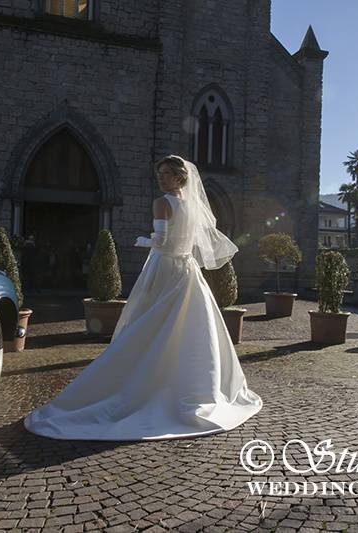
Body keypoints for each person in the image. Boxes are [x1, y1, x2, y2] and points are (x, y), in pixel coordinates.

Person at [23, 155, 263, 441]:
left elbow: (161, 242)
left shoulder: (162, 203)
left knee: (150, 321)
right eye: (159, 173)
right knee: (189, 327)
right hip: (186, 271)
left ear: (179, 177)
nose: (160, 178)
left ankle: (141, 378)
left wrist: (145, 240)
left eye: (166, 174)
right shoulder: (192, 206)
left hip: (164, 267)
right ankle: (189, 384)